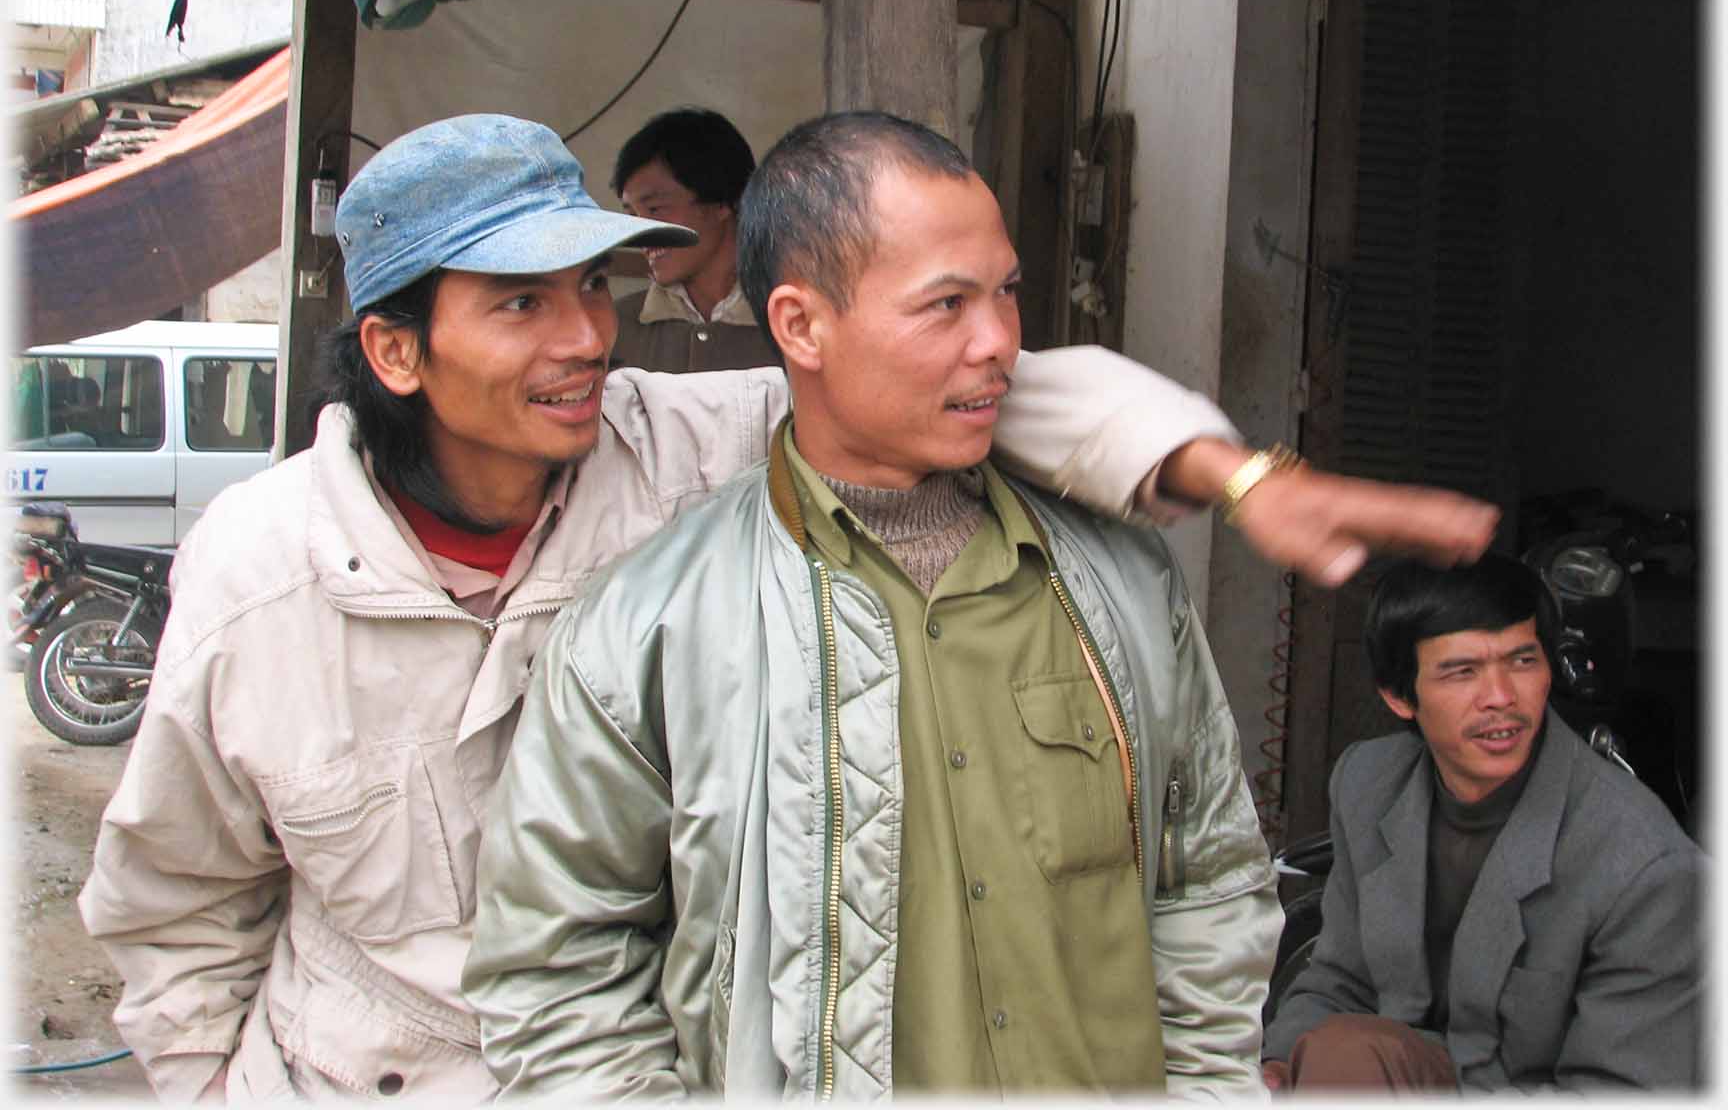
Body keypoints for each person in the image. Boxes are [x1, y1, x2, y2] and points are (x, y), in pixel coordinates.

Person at [77, 112, 1492, 1103]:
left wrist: (1238, 476)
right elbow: (177, 913)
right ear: (394, 348)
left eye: (590, 284)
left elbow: (978, 385)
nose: (584, 336)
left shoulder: (679, 444)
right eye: (517, 305)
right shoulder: (259, 580)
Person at [465, 112, 1282, 1096]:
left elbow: (1211, 887)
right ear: (801, 326)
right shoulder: (651, 628)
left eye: (1008, 293)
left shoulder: (1124, 587)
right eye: (945, 306)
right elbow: (560, 984)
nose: (999, 344)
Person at [1261, 554, 1703, 1094]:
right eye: (1462, 671)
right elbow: (1339, 980)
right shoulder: (1368, 784)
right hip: (1396, 1074)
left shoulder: (1645, 864)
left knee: (1347, 1057)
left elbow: (1623, 1090)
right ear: (1400, 696)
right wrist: (1279, 1066)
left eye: (1522, 661)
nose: (1501, 698)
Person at [610, 106, 777, 371]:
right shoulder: (613, 329)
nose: (641, 231)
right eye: (632, 214)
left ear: (723, 202)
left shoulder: (794, 321)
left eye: (655, 209)